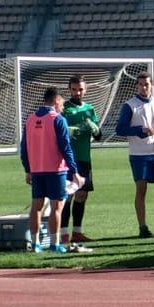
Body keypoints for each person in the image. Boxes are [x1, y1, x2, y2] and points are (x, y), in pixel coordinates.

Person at [114, 71, 154, 238]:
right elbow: (119, 129)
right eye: (141, 84)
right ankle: (143, 227)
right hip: (138, 154)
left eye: (146, 84)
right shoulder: (130, 105)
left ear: (152, 85)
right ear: (137, 86)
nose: (143, 87)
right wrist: (139, 130)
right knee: (141, 190)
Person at [18, 86, 80, 254]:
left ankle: (35, 243)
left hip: (37, 170)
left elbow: (23, 148)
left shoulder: (30, 119)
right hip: (55, 170)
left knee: (36, 207)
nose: (63, 106)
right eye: (61, 102)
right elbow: (65, 147)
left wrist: (27, 169)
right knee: (56, 207)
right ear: (56, 101)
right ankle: (54, 243)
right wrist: (74, 171)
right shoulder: (57, 119)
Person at [60, 73, 102, 245]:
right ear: (69, 89)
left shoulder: (90, 109)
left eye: (81, 89)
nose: (78, 93)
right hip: (68, 159)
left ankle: (77, 232)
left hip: (85, 158)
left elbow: (99, 136)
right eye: (74, 89)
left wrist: (94, 128)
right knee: (67, 196)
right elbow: (57, 131)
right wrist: (71, 129)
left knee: (82, 195)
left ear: (86, 89)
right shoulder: (64, 108)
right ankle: (63, 234)